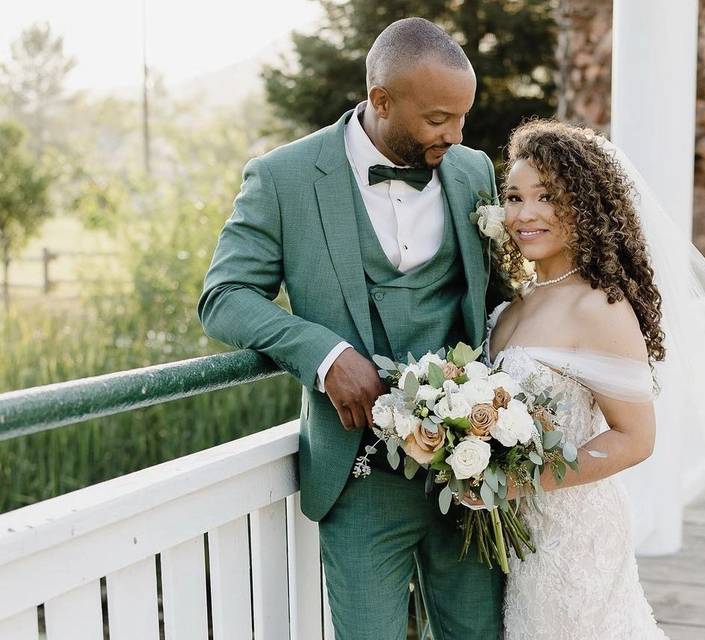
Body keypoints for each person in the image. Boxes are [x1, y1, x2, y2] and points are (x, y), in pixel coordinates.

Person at [197, 18, 505, 640]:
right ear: (381, 101)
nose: (457, 135)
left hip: (470, 468)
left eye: (463, 118)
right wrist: (324, 353)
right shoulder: (283, 178)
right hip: (358, 474)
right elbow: (223, 297)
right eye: (439, 119)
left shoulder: (473, 172)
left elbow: (499, 298)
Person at [481, 119, 672, 639]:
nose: (526, 213)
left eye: (547, 196)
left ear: (585, 206)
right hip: (515, 537)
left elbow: (636, 438)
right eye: (515, 197)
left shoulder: (598, 307)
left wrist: (516, 482)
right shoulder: (509, 307)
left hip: (573, 537)